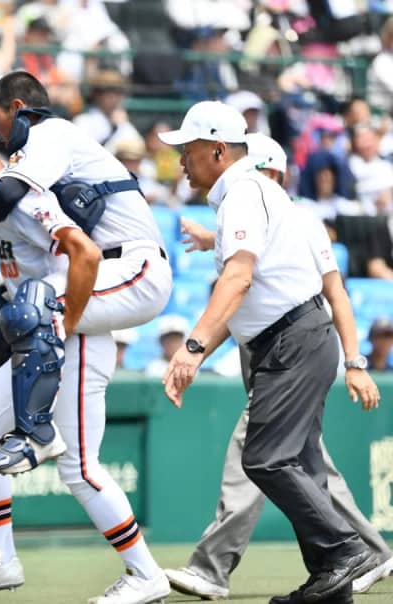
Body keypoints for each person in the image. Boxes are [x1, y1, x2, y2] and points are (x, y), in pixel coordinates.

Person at [0, 100, 172, 604]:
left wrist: (60, 321)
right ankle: (3, 559)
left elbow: (84, 255)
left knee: (80, 468)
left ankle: (145, 573)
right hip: (52, 336)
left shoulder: (27, 196)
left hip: (74, 334)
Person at [158, 101, 381, 604]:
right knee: (302, 462)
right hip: (289, 339)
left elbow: (237, 279)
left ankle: (346, 552)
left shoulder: (243, 193)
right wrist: (198, 352)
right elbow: (241, 296)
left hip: (294, 340)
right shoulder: (248, 195)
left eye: (188, 150)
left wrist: (192, 348)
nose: (181, 162)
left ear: (217, 150)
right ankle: (333, 585)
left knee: (265, 458)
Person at [0, 70, 173, 474]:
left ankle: (35, 433)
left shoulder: (48, 134)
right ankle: (18, 418)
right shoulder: (57, 141)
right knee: (7, 311)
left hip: (134, 266)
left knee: (34, 307)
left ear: (16, 109)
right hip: (110, 268)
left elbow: (5, 194)